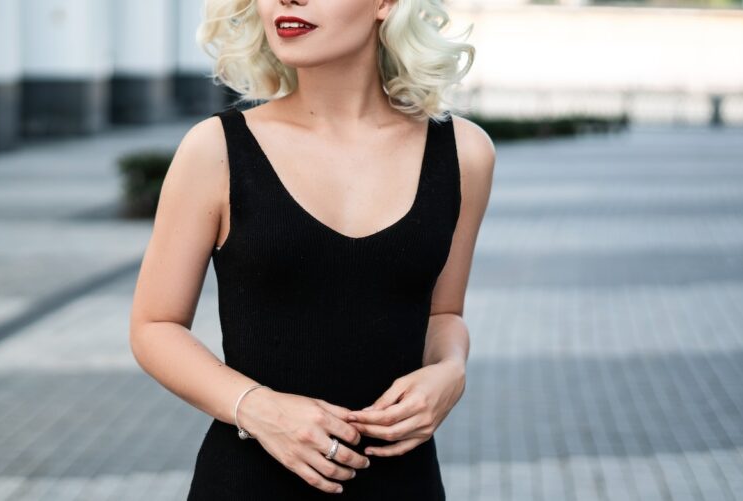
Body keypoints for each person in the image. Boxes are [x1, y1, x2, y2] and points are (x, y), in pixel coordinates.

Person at [129, 0, 496, 498]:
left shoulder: (463, 152)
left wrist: (450, 371)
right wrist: (258, 409)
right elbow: (154, 326)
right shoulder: (214, 149)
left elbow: (443, 313)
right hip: (248, 483)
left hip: (403, 484)